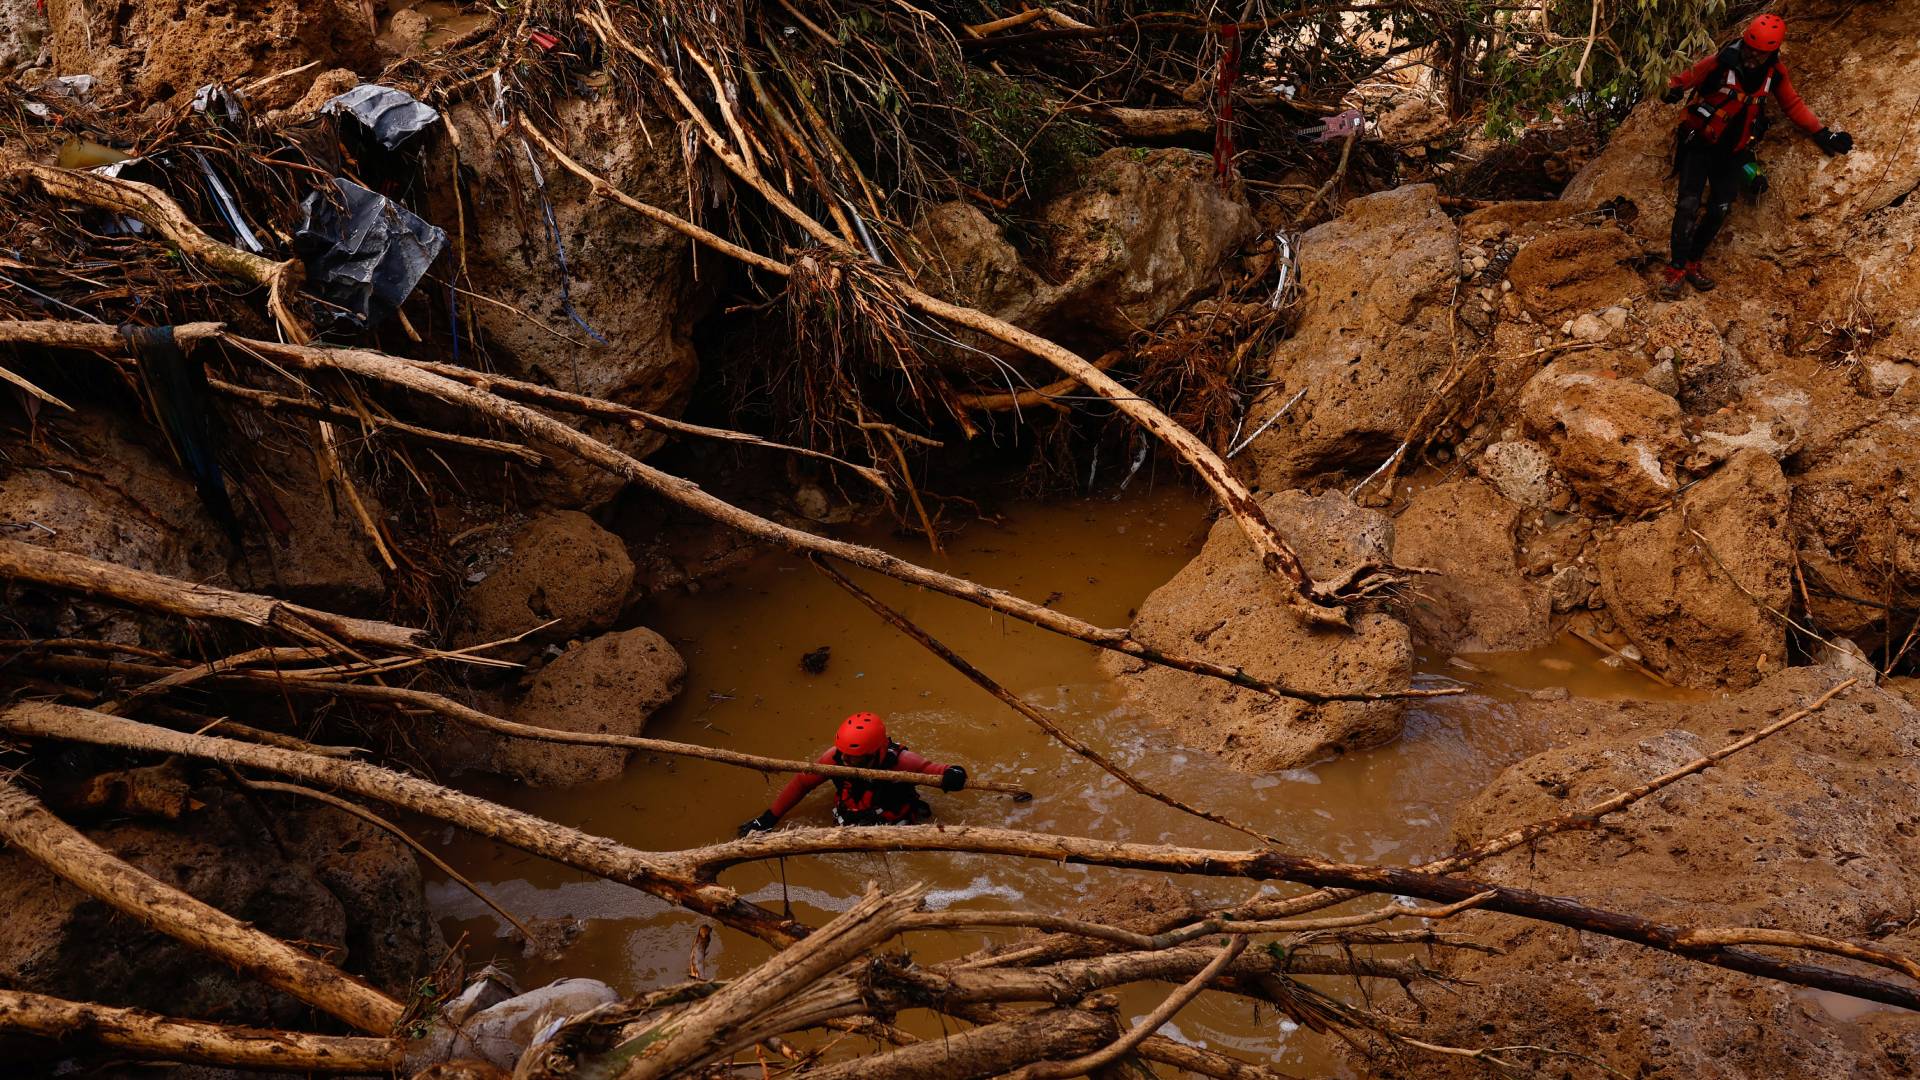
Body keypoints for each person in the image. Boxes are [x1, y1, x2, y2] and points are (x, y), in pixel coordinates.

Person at [1657, 13, 1852, 297]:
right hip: (1699, 144)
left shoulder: (1775, 73)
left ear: (1772, 53)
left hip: (1734, 152)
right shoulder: (1720, 62)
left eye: (1760, 54)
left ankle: (1692, 261)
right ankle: (1675, 271)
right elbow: (1684, 78)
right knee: (1687, 206)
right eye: (1750, 50)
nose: (1752, 57)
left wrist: (1823, 133)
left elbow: (1793, 105)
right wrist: (1671, 91)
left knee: (1719, 209)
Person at [737, 712, 967, 834]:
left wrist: (954, 775)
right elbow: (801, 784)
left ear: (876, 752)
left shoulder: (902, 761)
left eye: (855, 758)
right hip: (846, 819)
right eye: (845, 756)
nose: (847, 762)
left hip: (895, 824)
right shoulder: (833, 758)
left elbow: (937, 771)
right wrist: (769, 818)